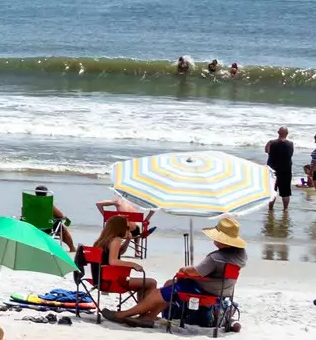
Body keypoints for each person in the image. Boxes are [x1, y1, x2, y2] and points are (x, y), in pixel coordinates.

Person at [102, 216, 246, 327]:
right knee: (171, 284)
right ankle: (149, 317)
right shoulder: (240, 255)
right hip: (223, 289)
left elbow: (194, 272)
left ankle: (122, 315)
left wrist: (185, 270)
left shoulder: (216, 257)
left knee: (165, 291)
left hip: (205, 290)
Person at [80, 213, 149, 295]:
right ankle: (143, 307)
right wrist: (133, 264)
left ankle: (142, 307)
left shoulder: (104, 240)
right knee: (151, 283)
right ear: (119, 228)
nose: (129, 230)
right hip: (110, 281)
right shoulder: (116, 239)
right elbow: (113, 261)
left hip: (98, 279)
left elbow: (120, 252)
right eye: (127, 227)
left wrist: (128, 240)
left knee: (145, 284)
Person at [266, 127, 295, 209]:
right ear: (287, 133)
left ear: (278, 132)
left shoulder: (271, 142)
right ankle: (285, 209)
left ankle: (270, 209)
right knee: (286, 192)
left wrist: (269, 144)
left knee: (273, 190)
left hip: (273, 170)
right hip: (286, 170)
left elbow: (266, 151)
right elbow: (290, 154)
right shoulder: (290, 144)